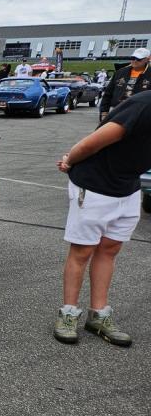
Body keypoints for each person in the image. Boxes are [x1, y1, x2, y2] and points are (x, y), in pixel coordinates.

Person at [53, 90, 151, 346]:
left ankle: (98, 314)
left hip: (127, 188)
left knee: (109, 249)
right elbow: (90, 143)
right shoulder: (142, 105)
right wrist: (69, 161)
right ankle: (68, 314)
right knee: (83, 251)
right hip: (94, 184)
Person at [99, 47, 151, 123]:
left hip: (141, 113)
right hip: (118, 110)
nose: (135, 61)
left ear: (147, 59)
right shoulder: (120, 73)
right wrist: (104, 112)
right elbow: (108, 93)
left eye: (139, 59)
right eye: (133, 58)